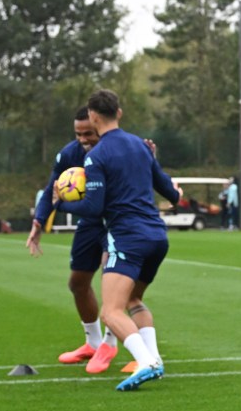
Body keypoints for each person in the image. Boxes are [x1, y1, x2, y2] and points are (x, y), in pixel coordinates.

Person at [55, 89, 181, 390]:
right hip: (157, 236)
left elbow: (93, 208)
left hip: (127, 238)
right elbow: (168, 189)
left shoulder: (96, 155)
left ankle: (147, 362)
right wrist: (176, 195)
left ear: (93, 117)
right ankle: (154, 359)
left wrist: (62, 203)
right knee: (134, 299)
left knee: (111, 311)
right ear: (119, 113)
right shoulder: (140, 145)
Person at [26, 107, 120, 373]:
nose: (83, 139)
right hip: (89, 223)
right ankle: (92, 342)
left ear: (99, 125)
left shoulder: (116, 149)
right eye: (78, 134)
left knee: (111, 281)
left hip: (116, 222)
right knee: (77, 283)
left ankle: (108, 344)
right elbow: (51, 189)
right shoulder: (70, 154)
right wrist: (38, 222)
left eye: (88, 133)